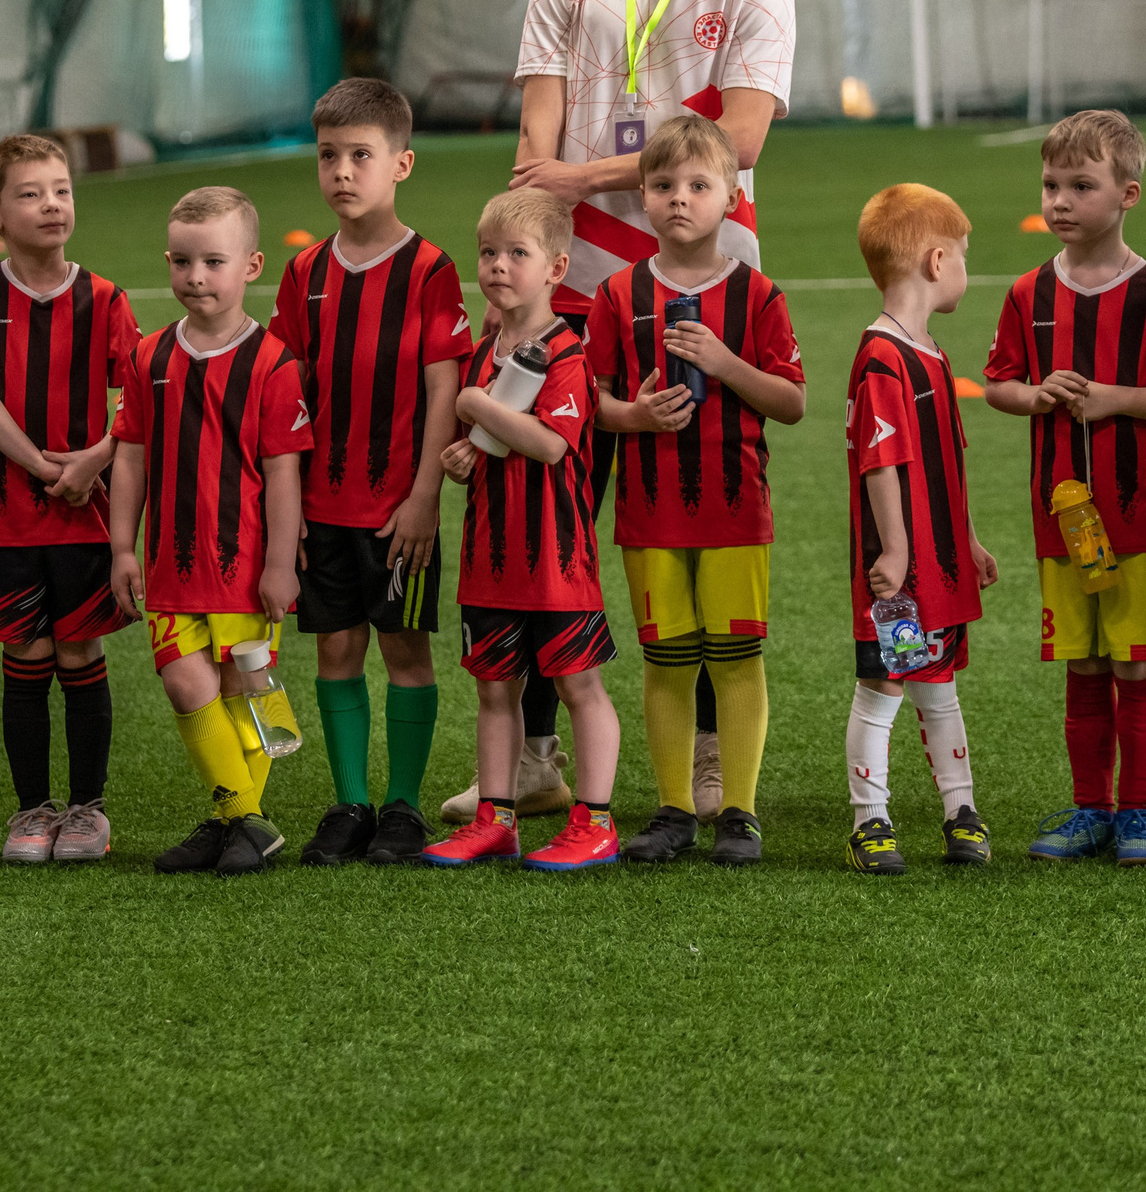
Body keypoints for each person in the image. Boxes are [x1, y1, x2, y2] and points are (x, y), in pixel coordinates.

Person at [498, 0, 797, 818]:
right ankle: (534, 755)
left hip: (701, 283)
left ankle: (710, 755)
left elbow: (742, 137)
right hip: (577, 283)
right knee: (547, 516)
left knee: (698, 511)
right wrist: (529, 239)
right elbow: (538, 124)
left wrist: (579, 176)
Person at [587, 115, 805, 867]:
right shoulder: (617, 294)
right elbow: (597, 403)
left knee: (736, 656)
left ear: (732, 194)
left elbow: (791, 400)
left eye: (698, 185)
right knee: (666, 658)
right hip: (648, 515)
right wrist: (636, 417)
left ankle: (738, 811)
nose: (680, 198)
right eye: (664, 185)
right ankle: (675, 808)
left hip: (736, 510)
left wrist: (725, 361)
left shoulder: (758, 295)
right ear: (643, 198)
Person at [981, 110, 1146, 867]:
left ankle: (1141, 810)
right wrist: (1034, 396)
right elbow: (996, 383)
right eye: (1050, 185)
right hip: (1059, 520)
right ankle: (1090, 807)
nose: (1059, 200)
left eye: (1080, 185)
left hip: (1139, 517)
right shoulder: (1027, 293)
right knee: (1083, 663)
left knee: (1137, 661)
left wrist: (1116, 398)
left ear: (1128, 193)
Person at [272, 80, 469, 868]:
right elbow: (286, 390)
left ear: (402, 164)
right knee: (335, 651)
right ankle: (351, 802)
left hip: (398, 511)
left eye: (361, 155)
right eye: (329, 156)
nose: (343, 172)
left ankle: (404, 807)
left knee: (406, 650)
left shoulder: (429, 269)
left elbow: (443, 390)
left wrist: (425, 497)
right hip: (322, 508)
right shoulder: (304, 272)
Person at [0, 134, 139, 865]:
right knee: (25, 654)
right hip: (8, 515)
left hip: (87, 510)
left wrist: (92, 461)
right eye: (31, 193)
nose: (52, 203)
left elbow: (141, 397)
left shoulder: (108, 299)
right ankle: (33, 809)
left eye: (61, 189)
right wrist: (38, 463)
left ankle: (88, 809)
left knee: (80, 649)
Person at [107, 187, 310, 878]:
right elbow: (128, 457)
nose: (196, 276)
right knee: (184, 684)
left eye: (213, 262)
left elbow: (284, 477)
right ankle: (244, 819)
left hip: (246, 565)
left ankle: (235, 819)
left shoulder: (276, 364)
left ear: (252, 266)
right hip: (170, 566)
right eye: (184, 261)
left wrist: (281, 564)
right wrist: (122, 546)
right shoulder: (147, 357)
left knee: (242, 691)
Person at [421, 190, 622, 871]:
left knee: (579, 686)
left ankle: (595, 821)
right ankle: (496, 819)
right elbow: (486, 445)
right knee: (493, 689)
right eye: (488, 252)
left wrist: (475, 404)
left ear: (557, 267)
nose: (498, 265)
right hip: (489, 560)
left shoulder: (567, 351)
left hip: (555, 563)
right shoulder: (484, 353)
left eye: (517, 253)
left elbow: (551, 446)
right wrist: (462, 454)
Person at [842, 183, 1000, 876]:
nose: (966, 268)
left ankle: (959, 810)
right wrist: (899, 548)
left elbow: (946, 462)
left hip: (938, 567)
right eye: (963, 256)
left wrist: (964, 540)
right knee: (885, 686)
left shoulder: (928, 351)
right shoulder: (882, 358)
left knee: (938, 683)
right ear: (937, 261)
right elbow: (882, 463)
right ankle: (869, 819)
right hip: (899, 574)